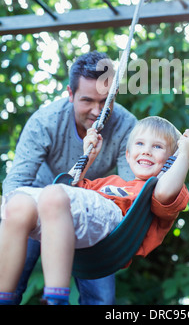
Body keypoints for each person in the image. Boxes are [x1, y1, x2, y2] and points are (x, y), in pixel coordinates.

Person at [0, 116, 189, 305]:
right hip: (70, 221)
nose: (146, 151)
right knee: (18, 204)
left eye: (157, 146)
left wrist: (185, 155)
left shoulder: (155, 190)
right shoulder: (109, 182)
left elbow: (164, 193)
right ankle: (4, 297)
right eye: (139, 144)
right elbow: (72, 190)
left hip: (112, 229)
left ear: (171, 161)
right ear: (127, 156)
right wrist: (88, 158)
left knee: (53, 194)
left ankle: (55, 299)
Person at [1, 51, 137, 305]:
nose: (97, 111)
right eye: (87, 100)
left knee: (102, 299)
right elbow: (15, 185)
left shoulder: (127, 126)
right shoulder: (46, 121)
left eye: (105, 101)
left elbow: (131, 192)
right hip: (40, 198)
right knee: (13, 280)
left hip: (93, 205)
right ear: (70, 94)